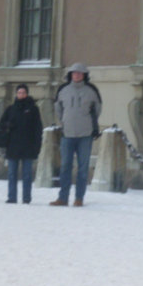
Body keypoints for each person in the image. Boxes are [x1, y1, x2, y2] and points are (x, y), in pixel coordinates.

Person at [51, 63, 101, 206]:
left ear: (84, 75)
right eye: (74, 73)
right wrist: (65, 121)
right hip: (67, 134)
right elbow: (58, 108)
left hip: (85, 134)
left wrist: (88, 123)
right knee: (65, 166)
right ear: (70, 75)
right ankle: (63, 197)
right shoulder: (63, 90)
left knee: (83, 168)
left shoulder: (91, 90)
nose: (76, 75)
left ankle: (79, 198)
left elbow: (98, 109)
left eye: (79, 73)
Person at [0, 84, 43, 204]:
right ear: (16, 94)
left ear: (27, 94)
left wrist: (37, 145)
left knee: (27, 175)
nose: (21, 94)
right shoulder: (11, 109)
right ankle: (12, 197)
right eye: (19, 92)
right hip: (13, 146)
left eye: (23, 92)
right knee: (12, 173)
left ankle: (26, 198)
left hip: (28, 146)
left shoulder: (33, 109)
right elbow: (1, 123)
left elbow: (38, 127)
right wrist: (8, 125)